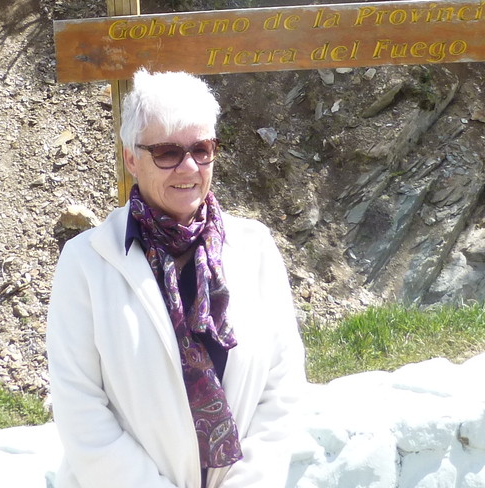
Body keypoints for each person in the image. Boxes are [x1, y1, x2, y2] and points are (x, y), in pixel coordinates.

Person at [47, 69, 307, 488]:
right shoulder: (85, 263)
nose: (188, 167)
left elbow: (282, 384)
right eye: (167, 152)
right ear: (131, 158)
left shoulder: (255, 247)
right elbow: (80, 408)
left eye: (201, 149)